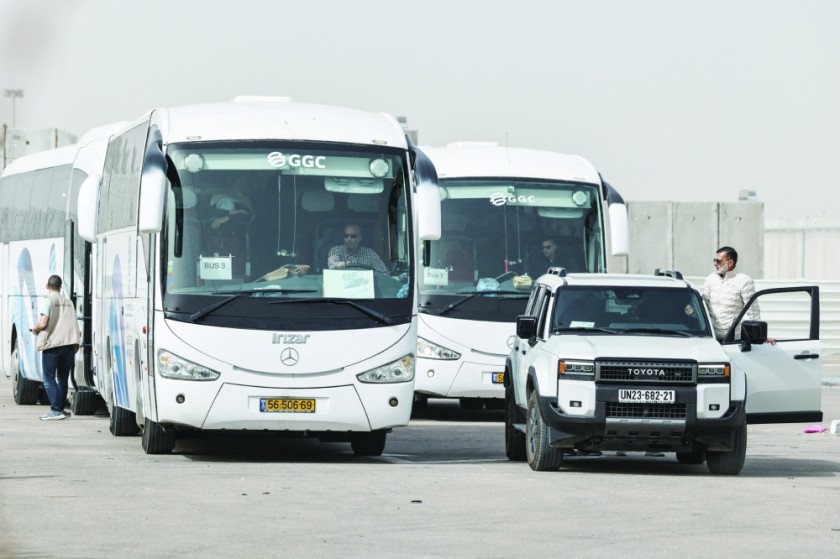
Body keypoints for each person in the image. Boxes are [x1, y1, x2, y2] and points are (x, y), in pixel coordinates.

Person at [29, 275, 81, 421]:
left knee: (48, 379)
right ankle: (61, 409)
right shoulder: (69, 302)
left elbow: (43, 323)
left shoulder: (48, 301)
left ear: (47, 286)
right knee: (63, 379)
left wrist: (35, 329)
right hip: (69, 345)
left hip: (52, 346)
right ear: (60, 287)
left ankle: (55, 410)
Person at [701, 246, 775, 344]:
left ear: (730, 263)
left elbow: (753, 311)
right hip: (710, 338)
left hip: (732, 340)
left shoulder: (743, 281)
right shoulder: (711, 279)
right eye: (714, 260)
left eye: (718, 261)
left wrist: (760, 336)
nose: (715, 264)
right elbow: (703, 305)